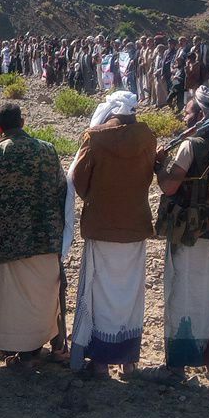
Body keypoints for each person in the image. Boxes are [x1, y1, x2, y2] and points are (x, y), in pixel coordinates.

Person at [151, 87, 209, 381]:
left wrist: (157, 165)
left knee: (181, 293)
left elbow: (170, 187)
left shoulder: (191, 146)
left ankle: (178, 364)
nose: (183, 116)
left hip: (187, 233)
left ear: (201, 116)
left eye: (188, 112)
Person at [67, 90, 155, 377]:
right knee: (130, 294)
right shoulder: (148, 136)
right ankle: (128, 361)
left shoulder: (96, 137)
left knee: (100, 293)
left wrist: (98, 198)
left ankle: (101, 362)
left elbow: (79, 180)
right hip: (135, 227)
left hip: (102, 226)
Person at [0, 102, 66, 366]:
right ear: (23, 122)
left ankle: (24, 351)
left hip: (12, 240)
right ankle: (52, 344)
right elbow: (62, 191)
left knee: (17, 301)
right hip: (48, 237)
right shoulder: (48, 150)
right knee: (46, 295)